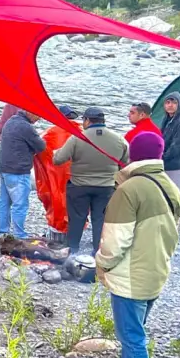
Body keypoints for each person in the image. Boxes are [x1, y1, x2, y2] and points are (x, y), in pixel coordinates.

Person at [96, 132, 180, 358]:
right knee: (133, 330)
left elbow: (115, 240)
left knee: (132, 336)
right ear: (159, 155)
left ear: (133, 154)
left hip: (131, 276)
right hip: (157, 271)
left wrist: (102, 264)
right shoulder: (169, 185)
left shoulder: (129, 190)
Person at [54, 107, 129, 256]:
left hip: (79, 186)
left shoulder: (77, 138)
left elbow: (58, 160)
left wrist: (55, 152)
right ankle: (98, 251)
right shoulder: (119, 139)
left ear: (87, 120)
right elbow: (124, 162)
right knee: (100, 219)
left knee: (77, 218)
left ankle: (73, 250)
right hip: (106, 187)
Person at [34, 105, 82, 246]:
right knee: (76, 203)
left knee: (56, 201)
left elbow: (38, 152)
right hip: (77, 177)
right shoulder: (81, 131)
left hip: (55, 176)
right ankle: (74, 234)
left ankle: (58, 231)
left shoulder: (49, 133)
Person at [0, 109, 45, 238]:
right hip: (18, 170)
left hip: (3, 168)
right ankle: (19, 234)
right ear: (30, 112)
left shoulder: (10, 121)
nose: (39, 118)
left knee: (4, 201)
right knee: (20, 204)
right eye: (38, 115)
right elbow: (41, 146)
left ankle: (3, 231)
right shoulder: (25, 126)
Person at [159, 93, 180, 196]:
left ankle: (177, 212)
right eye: (168, 102)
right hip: (165, 163)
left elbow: (178, 145)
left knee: (175, 194)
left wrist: (162, 157)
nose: (170, 105)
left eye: (174, 102)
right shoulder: (167, 119)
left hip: (177, 166)